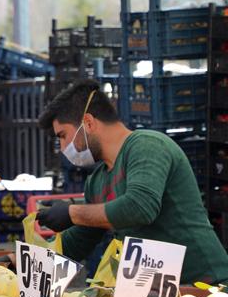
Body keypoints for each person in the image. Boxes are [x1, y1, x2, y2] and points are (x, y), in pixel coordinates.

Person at [36, 79, 228, 285]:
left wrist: (72, 213)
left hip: (206, 287)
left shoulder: (147, 146)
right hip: (157, 296)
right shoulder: (97, 180)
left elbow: (140, 207)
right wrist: (28, 260)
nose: (63, 146)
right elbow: (80, 239)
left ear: (89, 123)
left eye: (63, 136)